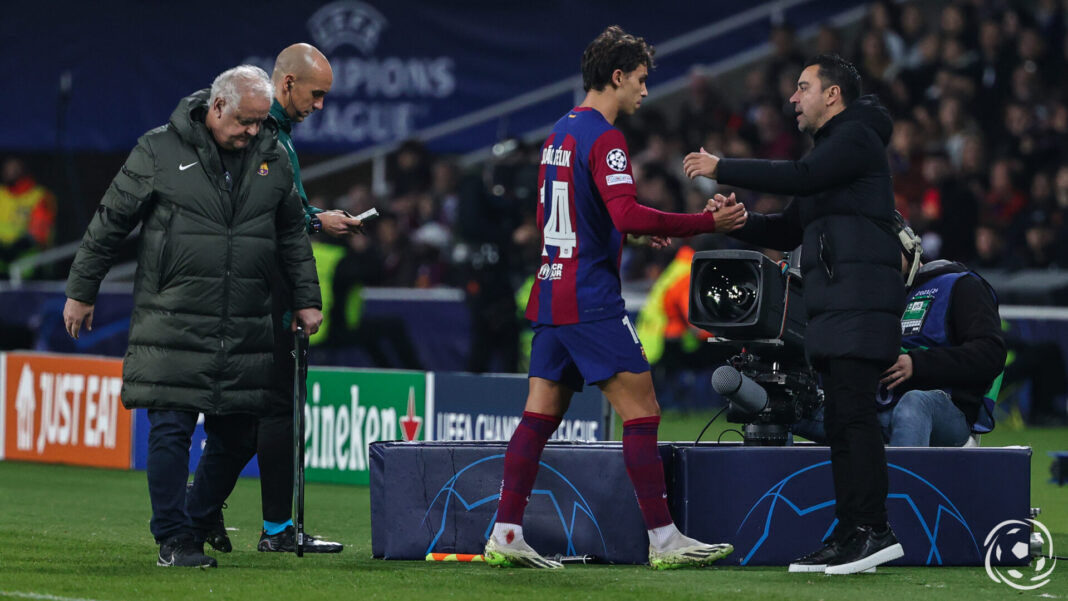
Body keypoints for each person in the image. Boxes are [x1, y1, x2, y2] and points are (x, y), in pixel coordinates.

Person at [483, 25, 746, 570]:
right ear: (618, 76)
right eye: (642, 80)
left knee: (539, 415)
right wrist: (705, 220)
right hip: (590, 297)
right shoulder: (606, 137)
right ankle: (665, 540)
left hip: (552, 289)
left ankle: (506, 533)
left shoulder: (559, 132)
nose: (646, 92)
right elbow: (623, 210)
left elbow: (559, 215)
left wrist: (619, 229)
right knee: (643, 410)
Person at [63, 65, 322, 568]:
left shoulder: (271, 154)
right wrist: (81, 289)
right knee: (172, 427)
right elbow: (110, 221)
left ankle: (198, 513)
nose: (253, 132)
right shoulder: (158, 150)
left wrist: (306, 298)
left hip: (244, 319)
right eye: (246, 122)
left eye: (259, 122)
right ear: (217, 107)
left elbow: (291, 233)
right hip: (173, 317)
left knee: (240, 432)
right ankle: (174, 539)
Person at [683, 55, 905, 575]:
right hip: (836, 307)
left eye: (802, 87)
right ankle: (853, 532)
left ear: (832, 95)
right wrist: (738, 223)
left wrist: (723, 166)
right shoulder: (833, 156)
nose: (792, 98)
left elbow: (800, 178)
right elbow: (788, 230)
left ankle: (873, 530)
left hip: (859, 303)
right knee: (842, 420)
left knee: (853, 419)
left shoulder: (855, 140)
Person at [216, 43, 355, 555]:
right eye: (316, 94)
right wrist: (317, 221)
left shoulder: (270, 135)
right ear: (288, 83)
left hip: (254, 290)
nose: (320, 105)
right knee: (277, 411)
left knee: (249, 413)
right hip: (267, 292)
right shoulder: (267, 136)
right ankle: (274, 528)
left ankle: (203, 512)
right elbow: (271, 216)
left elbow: (283, 208)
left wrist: (317, 216)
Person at [791, 212, 1007, 446]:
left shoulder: (959, 284)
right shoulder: (867, 304)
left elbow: (990, 353)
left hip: (942, 413)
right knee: (782, 406)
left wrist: (917, 364)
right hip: (871, 411)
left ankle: (902, 483)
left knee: (913, 404)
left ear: (906, 242)